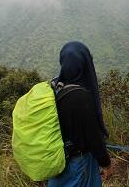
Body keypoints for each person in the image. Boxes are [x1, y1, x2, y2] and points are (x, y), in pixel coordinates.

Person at [48, 41, 112, 187]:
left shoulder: (53, 88)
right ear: (85, 64)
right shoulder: (80, 96)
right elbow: (93, 136)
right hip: (79, 163)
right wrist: (106, 164)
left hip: (57, 162)